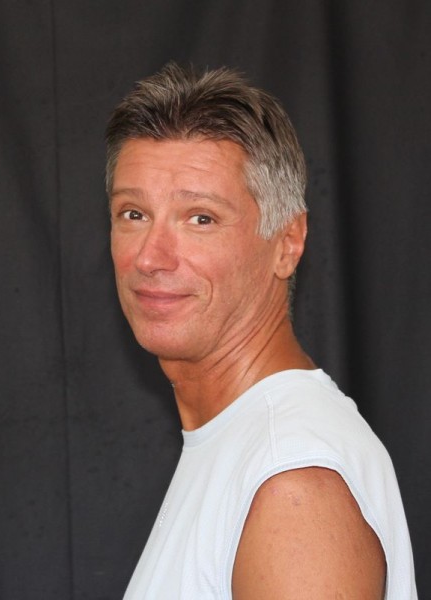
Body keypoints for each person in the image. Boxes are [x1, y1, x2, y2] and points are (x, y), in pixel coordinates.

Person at [106, 63, 417, 599]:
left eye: (200, 218)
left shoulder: (292, 483)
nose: (150, 257)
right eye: (133, 213)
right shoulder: (249, 445)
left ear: (288, 243)